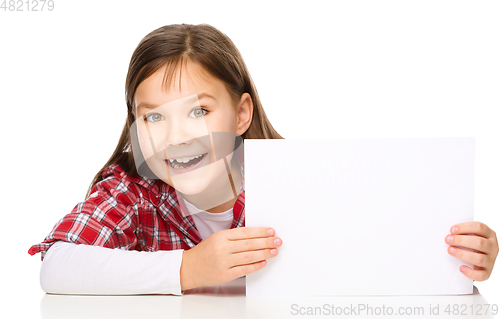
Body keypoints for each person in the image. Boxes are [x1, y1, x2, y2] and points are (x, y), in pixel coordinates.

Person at [28, 23, 498, 295]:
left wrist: (460, 259)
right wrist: (189, 268)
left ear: (241, 113)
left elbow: (378, 255)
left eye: (199, 110)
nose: (176, 138)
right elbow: (58, 267)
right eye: (153, 118)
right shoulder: (132, 187)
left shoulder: (299, 180)